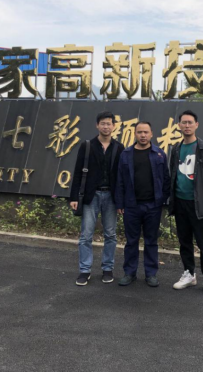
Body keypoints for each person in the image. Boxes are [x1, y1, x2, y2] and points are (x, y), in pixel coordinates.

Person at [168, 110, 203, 296]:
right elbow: (172, 175)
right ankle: (189, 274)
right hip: (180, 202)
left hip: (199, 205)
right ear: (179, 125)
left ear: (196, 125)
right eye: (184, 122)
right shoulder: (176, 149)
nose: (187, 125)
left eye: (190, 122)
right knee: (184, 241)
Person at [69, 111, 123, 286]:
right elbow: (78, 172)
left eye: (109, 123)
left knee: (110, 234)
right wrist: (74, 197)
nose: (106, 126)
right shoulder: (87, 146)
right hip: (90, 196)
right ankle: (85, 270)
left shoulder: (119, 147)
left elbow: (122, 177)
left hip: (111, 196)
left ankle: (107, 268)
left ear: (114, 126)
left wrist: (121, 201)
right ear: (97, 125)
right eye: (103, 123)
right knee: (86, 235)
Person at [115, 121, 170, 287]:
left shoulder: (159, 154)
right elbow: (120, 180)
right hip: (131, 205)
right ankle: (129, 273)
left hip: (153, 206)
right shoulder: (126, 154)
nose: (143, 135)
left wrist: (162, 200)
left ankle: (151, 274)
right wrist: (120, 203)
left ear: (151, 134)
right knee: (131, 241)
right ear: (135, 134)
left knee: (151, 241)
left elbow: (166, 179)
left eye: (146, 132)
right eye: (140, 132)